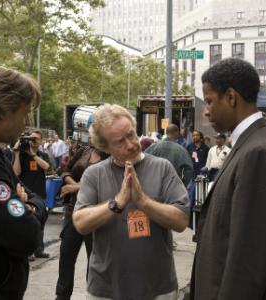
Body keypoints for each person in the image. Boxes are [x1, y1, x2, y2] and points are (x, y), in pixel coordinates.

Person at [73, 104, 190, 300]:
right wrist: (118, 202)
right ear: (105, 146)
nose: (131, 144)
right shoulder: (94, 174)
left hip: (158, 289)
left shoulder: (163, 168)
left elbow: (181, 221)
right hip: (106, 289)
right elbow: (80, 223)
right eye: (120, 142)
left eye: (131, 134)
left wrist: (143, 201)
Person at [190, 58, 266, 300]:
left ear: (231, 97)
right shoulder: (249, 144)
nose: (206, 111)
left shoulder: (259, 152)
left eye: (209, 101)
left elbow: (248, 257)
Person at [0, 66, 44, 299]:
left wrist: (30, 207)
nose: (26, 122)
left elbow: (34, 197)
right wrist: (26, 209)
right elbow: (27, 235)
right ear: (5, 110)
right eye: (25, 113)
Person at [55, 144, 108, 300]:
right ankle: (61, 296)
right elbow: (64, 169)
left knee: (93, 260)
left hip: (96, 213)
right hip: (74, 211)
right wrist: (72, 183)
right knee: (66, 255)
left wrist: (76, 188)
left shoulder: (110, 156)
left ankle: (92, 295)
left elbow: (104, 184)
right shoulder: (85, 150)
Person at [13, 130, 50, 259]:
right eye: (32, 138)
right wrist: (17, 153)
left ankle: (39, 250)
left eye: (37, 139)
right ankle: (28, 251)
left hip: (39, 192)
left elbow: (46, 166)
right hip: (25, 193)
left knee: (40, 223)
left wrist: (33, 154)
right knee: (26, 222)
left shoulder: (42, 154)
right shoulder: (21, 155)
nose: (34, 141)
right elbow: (16, 172)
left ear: (40, 141)